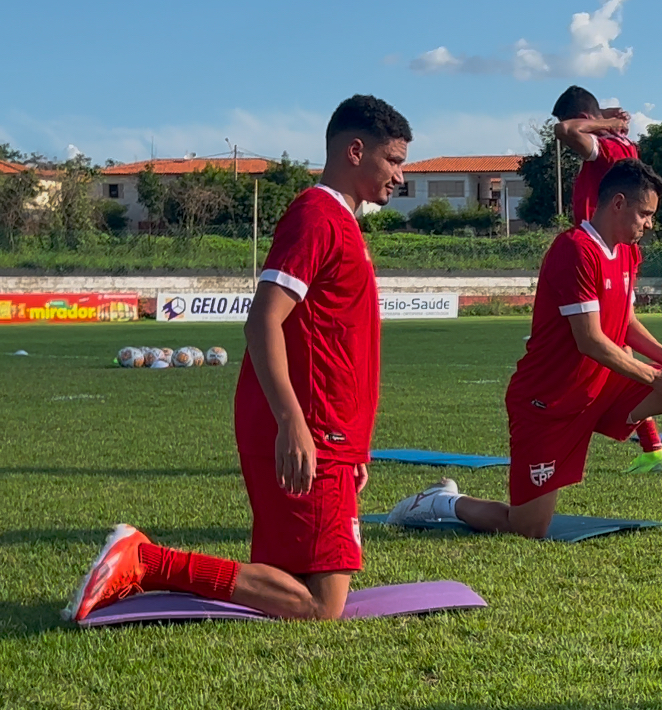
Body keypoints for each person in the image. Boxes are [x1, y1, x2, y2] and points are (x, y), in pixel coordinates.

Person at [63, 95, 411, 622]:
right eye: (395, 161)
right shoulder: (317, 216)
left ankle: (146, 562)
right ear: (356, 151)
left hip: (330, 434)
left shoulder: (342, 222)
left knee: (293, 584)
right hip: (310, 429)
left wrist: (356, 448)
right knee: (322, 605)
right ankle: (146, 560)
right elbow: (262, 320)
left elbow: (337, 341)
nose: (400, 177)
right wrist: (293, 423)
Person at [390, 159, 662, 540]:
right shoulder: (574, 249)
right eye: (645, 213)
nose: (650, 224)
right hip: (548, 402)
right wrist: (656, 376)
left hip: (602, 388)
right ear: (618, 203)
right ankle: (441, 501)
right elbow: (590, 340)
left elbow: (625, 321)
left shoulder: (627, 252)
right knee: (528, 527)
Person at [552, 84, 662, 476]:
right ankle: (652, 446)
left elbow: (566, 130)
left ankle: (644, 442)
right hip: (609, 251)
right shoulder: (622, 146)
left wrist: (600, 123)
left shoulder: (606, 146)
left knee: (601, 341)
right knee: (614, 334)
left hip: (601, 250)